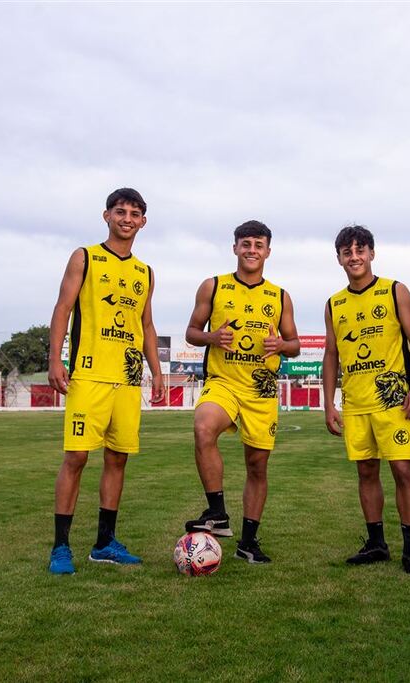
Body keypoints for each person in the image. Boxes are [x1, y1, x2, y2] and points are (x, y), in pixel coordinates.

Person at [46, 187, 164, 575]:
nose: (127, 218)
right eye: (120, 211)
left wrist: (157, 371)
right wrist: (56, 358)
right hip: (89, 374)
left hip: (128, 378)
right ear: (107, 216)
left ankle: (104, 543)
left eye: (134, 213)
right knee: (77, 457)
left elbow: (146, 325)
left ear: (143, 221)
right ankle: (61, 547)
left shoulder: (144, 272)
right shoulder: (85, 257)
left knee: (118, 458)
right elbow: (64, 308)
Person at [183, 220, 300, 563]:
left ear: (267, 251)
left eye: (258, 244)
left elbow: (293, 344)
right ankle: (217, 513)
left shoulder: (279, 296)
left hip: (261, 390)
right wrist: (211, 338)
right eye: (245, 243)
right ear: (235, 247)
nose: (252, 250)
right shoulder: (213, 286)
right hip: (224, 382)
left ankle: (248, 542)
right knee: (203, 427)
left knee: (257, 466)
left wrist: (281, 343)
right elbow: (192, 331)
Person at [322, 225, 410, 576]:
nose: (354, 257)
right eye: (347, 252)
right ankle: (376, 543)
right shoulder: (334, 303)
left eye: (360, 250)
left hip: (393, 400)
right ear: (339, 258)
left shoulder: (395, 291)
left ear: (371, 253)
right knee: (366, 472)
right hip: (356, 402)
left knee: (401, 470)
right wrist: (329, 402)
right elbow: (331, 356)